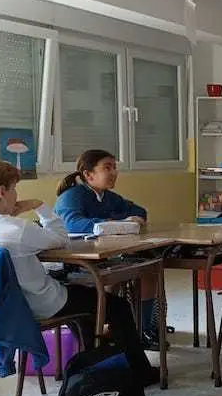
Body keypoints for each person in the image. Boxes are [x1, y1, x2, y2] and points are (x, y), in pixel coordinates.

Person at [0, 157, 158, 385]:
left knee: (85, 307)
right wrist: (38, 205)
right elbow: (61, 239)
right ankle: (139, 373)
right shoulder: (17, 229)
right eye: (14, 189)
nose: (16, 195)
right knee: (117, 306)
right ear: (2, 192)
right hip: (40, 305)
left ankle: (91, 368)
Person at [53, 149, 163, 349]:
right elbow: (72, 225)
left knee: (149, 269)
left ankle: (143, 328)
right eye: (107, 167)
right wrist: (116, 222)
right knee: (113, 278)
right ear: (88, 174)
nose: (114, 172)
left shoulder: (108, 196)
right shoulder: (72, 197)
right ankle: (106, 329)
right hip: (78, 261)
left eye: (115, 167)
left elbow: (138, 211)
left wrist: (131, 218)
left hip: (105, 256)